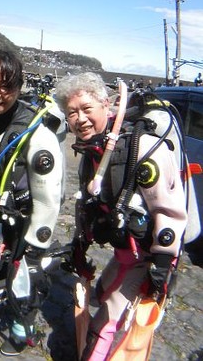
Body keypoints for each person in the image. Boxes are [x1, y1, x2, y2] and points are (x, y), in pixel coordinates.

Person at [53, 72, 188, 360]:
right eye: (72, 112)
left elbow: (169, 213)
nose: (80, 119)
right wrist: (80, 243)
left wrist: (162, 268)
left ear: (106, 104)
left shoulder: (142, 149)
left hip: (151, 255)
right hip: (126, 251)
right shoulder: (94, 152)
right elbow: (88, 202)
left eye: (87, 109)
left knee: (106, 320)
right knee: (101, 292)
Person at [0, 50, 65, 356]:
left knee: (25, 270)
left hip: (28, 211)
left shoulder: (36, 133)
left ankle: (22, 328)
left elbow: (48, 199)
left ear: (18, 87)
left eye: (4, 86)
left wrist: (35, 244)